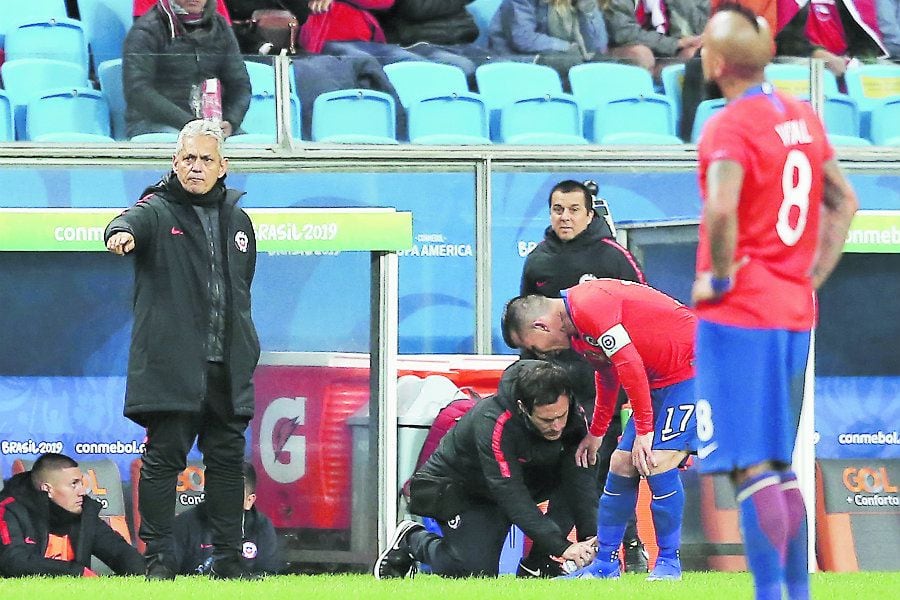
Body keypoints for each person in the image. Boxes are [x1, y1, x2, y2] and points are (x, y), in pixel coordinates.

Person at [692, 5, 858, 600]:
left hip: (741, 313)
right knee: (778, 462)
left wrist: (718, 278)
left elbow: (721, 208)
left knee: (751, 464)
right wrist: (812, 275)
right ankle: (795, 593)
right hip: (792, 308)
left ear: (716, 62)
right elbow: (845, 201)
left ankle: (770, 594)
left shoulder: (729, 126)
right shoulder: (803, 116)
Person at [104, 119, 261, 580]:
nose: (196, 167)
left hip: (227, 368)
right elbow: (128, 220)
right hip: (174, 367)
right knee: (163, 462)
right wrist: (119, 232)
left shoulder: (239, 220)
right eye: (188, 158)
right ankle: (158, 560)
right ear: (174, 162)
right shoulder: (156, 210)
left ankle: (229, 562)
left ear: (222, 166)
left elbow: (242, 290)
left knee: (227, 464)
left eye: (205, 159)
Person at [501, 278, 698, 580]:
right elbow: (607, 374)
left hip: (695, 369)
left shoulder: (589, 305)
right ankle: (605, 564)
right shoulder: (578, 330)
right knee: (620, 464)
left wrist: (644, 430)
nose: (539, 354)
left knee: (656, 462)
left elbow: (629, 363)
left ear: (541, 326)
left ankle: (669, 564)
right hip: (659, 382)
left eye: (532, 346)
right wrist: (597, 432)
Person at [519, 179, 649, 574]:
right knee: (575, 473)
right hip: (553, 389)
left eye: (574, 210)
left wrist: (633, 384)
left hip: (602, 386)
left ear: (590, 214)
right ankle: (581, 554)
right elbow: (526, 324)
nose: (565, 217)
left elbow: (643, 310)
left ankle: (620, 547)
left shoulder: (613, 257)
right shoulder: (537, 261)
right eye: (558, 209)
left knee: (599, 470)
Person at [373, 360, 600, 579]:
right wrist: (562, 546)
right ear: (523, 408)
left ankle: (538, 565)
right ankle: (411, 539)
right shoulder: (493, 422)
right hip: (465, 490)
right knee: (473, 573)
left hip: (515, 483)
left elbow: (580, 476)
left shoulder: (572, 411)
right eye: (547, 420)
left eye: (561, 416)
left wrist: (590, 538)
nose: (557, 426)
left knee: (580, 464)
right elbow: (510, 493)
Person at [0, 453, 144, 578]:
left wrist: (148, 574)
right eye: (74, 484)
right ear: (47, 489)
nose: (82, 491)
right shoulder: (9, 509)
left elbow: (120, 552)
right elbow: (13, 561)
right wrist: (76, 572)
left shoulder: (84, 510)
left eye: (81, 483)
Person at [123, 0, 251, 139]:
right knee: (192, 146)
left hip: (212, 126)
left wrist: (231, 122)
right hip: (156, 124)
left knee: (252, 149)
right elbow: (137, 91)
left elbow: (240, 85)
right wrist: (190, 123)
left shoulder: (221, 26)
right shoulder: (146, 29)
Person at [174, 463, 283, 576]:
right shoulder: (184, 524)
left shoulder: (261, 526)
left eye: (231, 496)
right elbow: (168, 574)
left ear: (249, 501)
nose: (222, 501)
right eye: (217, 492)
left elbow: (267, 575)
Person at [488, 0, 610, 78]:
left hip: (565, 60)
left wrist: (588, 12)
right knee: (572, 65)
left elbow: (597, 47)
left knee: (608, 64)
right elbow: (523, 38)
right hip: (521, 61)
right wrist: (567, 47)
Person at [600, 0, 709, 73]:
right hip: (622, 50)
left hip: (666, 51)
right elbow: (625, 33)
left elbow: (698, 26)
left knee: (696, 53)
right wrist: (676, 43)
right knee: (642, 55)